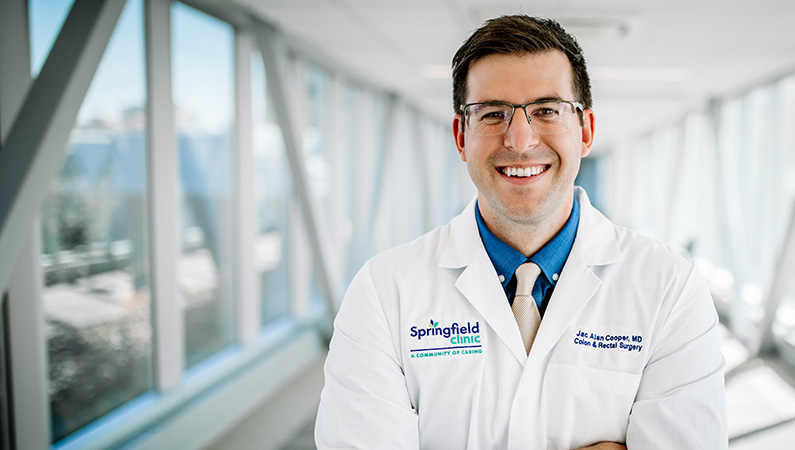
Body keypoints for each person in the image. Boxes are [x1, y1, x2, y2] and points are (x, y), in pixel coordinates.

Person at [315, 15, 727, 450]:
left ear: (585, 131)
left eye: (546, 111)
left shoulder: (669, 286)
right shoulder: (383, 291)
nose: (519, 138)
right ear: (461, 136)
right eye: (492, 113)